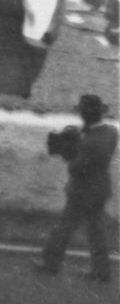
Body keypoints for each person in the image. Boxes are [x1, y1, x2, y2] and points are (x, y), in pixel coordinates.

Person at [36, 93, 116, 282]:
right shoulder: (110, 132)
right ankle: (101, 272)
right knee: (96, 232)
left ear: (87, 115)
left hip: (82, 192)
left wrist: (68, 153)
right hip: (100, 190)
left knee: (63, 228)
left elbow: (76, 168)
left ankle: (51, 264)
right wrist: (79, 139)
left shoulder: (91, 141)